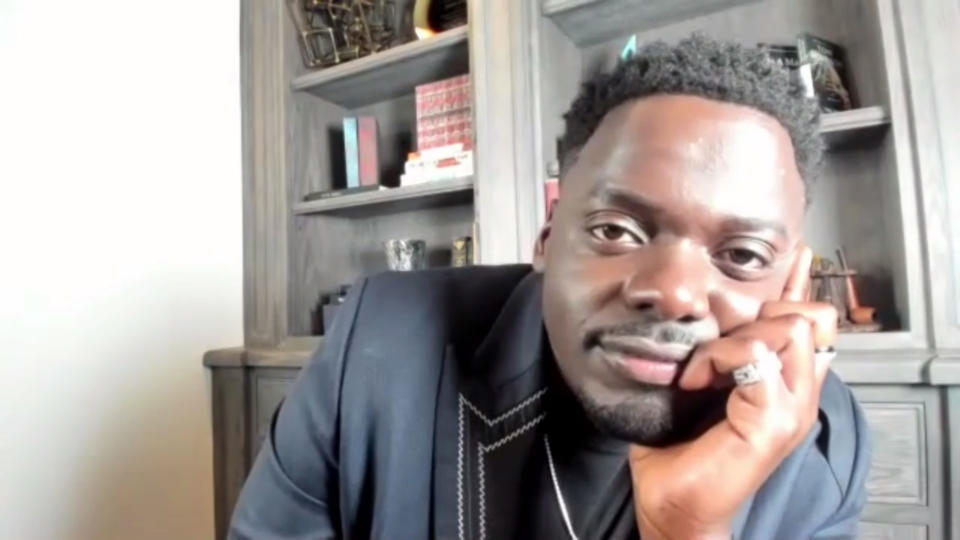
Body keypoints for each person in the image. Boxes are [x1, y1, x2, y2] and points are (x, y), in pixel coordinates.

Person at [229, 34, 870, 539]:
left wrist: (690, 531)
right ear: (546, 238)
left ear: (792, 282)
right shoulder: (375, 348)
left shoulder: (822, 445)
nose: (675, 293)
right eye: (617, 231)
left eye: (742, 254)